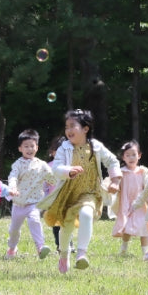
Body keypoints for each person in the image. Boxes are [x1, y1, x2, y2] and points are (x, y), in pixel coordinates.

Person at [38, 109, 121, 274]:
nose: (68, 130)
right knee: (66, 227)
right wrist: (68, 170)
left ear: (85, 128)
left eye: (72, 126)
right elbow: (57, 167)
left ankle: (81, 253)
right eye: (66, 127)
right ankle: (63, 254)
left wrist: (116, 181)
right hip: (68, 193)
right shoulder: (64, 148)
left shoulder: (96, 146)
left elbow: (112, 161)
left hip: (90, 191)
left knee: (86, 215)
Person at [6, 129, 56, 259]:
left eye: (32, 146)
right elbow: (13, 177)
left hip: (34, 203)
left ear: (37, 148)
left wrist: (64, 181)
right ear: (20, 148)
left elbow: (52, 179)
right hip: (18, 203)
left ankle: (40, 247)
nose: (29, 149)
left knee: (35, 221)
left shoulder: (42, 165)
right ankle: (12, 248)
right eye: (26, 146)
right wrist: (12, 187)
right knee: (14, 230)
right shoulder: (18, 164)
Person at [109, 140, 148, 256]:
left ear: (139, 156)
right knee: (126, 228)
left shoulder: (143, 172)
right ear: (123, 157)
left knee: (144, 228)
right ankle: (123, 249)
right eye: (127, 155)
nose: (131, 158)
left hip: (140, 205)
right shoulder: (121, 172)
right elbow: (114, 183)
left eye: (134, 154)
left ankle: (145, 253)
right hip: (126, 204)